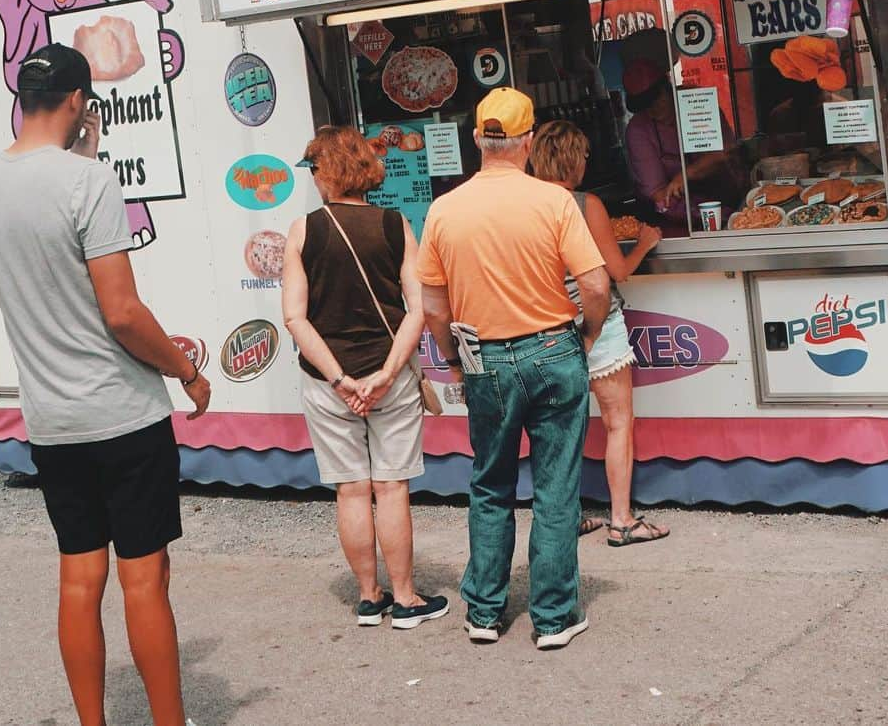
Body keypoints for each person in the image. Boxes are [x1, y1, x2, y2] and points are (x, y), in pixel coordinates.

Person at [0, 44, 210, 726]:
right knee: (144, 577)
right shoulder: (90, 184)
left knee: (79, 576)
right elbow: (122, 313)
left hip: (51, 419)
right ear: (77, 100)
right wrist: (185, 370)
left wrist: (82, 156)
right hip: (121, 411)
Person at [418, 87, 611, 649]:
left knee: (491, 484)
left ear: (478, 138)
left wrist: (453, 358)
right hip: (554, 349)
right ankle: (553, 618)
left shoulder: (444, 209)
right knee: (556, 489)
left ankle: (483, 612)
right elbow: (596, 284)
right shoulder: (553, 202)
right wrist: (588, 332)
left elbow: (434, 308)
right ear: (528, 141)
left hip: (485, 360)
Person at [282, 125, 448, 631]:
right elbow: (417, 309)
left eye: (313, 167)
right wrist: (385, 375)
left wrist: (339, 379)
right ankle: (405, 598)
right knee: (391, 487)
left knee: (352, 491)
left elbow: (295, 318)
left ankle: (368, 597)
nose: (312, 177)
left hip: (327, 382)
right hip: (390, 375)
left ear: (326, 172)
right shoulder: (396, 224)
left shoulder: (303, 230)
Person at [529, 120, 669, 547]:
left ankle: (563, 518)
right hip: (596, 324)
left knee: (552, 430)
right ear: (575, 160)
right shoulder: (586, 205)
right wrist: (645, 242)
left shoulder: (525, 204)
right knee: (618, 422)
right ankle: (622, 520)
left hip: (546, 327)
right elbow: (616, 272)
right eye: (585, 155)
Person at [624, 59, 744, 234]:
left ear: (668, 88)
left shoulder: (694, 102)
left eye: (656, 99)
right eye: (645, 106)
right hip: (677, 217)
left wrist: (685, 175)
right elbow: (659, 194)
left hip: (725, 194)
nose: (653, 109)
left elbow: (725, 151)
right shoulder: (638, 130)